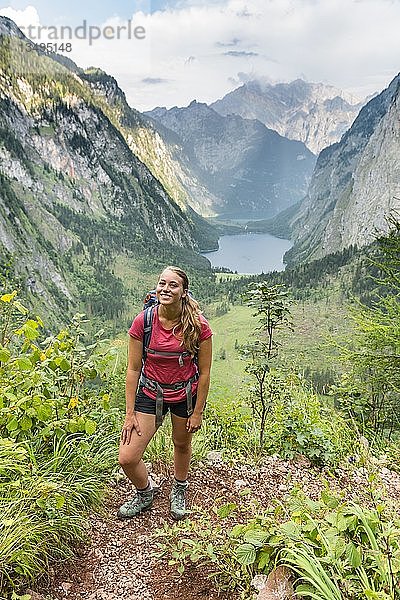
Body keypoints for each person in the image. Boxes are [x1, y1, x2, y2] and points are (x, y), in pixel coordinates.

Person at [118, 266, 213, 520]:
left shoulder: (198, 326)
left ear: (184, 292)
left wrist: (198, 412)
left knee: (181, 444)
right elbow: (133, 369)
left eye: (173, 285)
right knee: (127, 457)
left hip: (185, 395)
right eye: (162, 283)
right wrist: (130, 414)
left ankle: (179, 487)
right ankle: (145, 491)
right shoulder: (144, 321)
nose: (165, 289)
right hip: (150, 393)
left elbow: (204, 373)